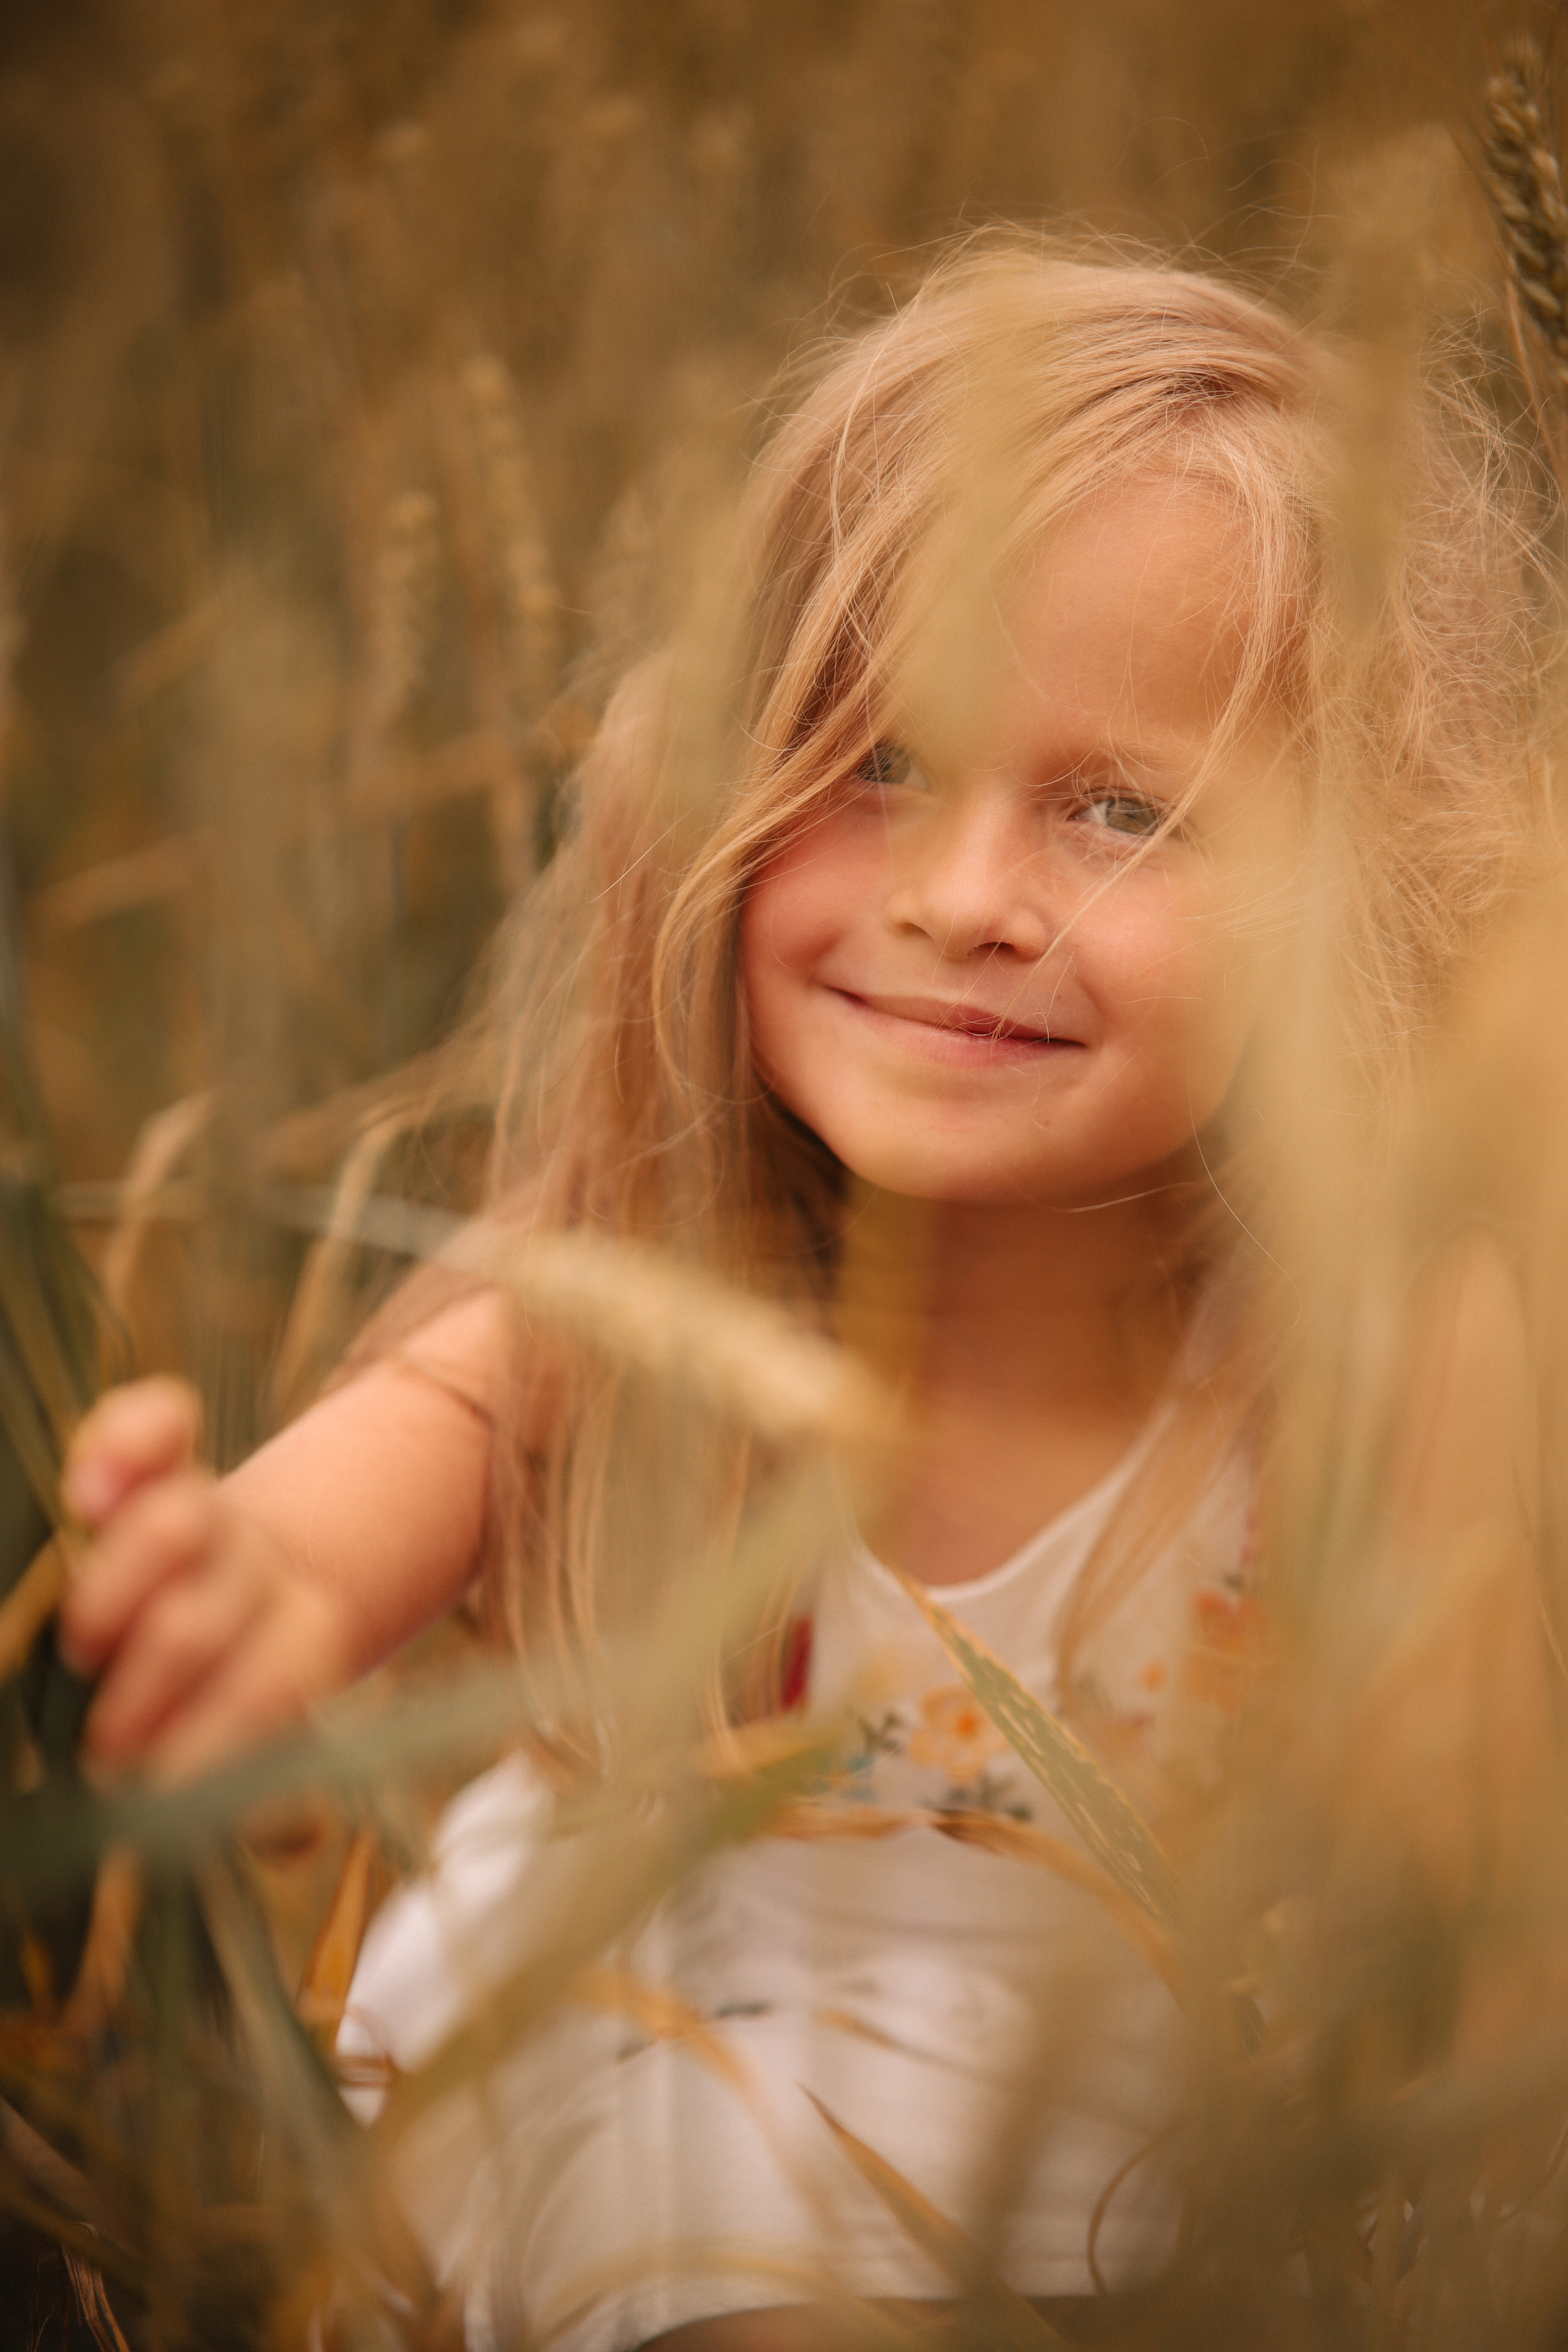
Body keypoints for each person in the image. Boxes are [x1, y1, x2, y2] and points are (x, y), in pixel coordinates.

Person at [54, 239, 1544, 2348]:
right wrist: (223, 1617)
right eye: (879, 764)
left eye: (1124, 810)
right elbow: (303, 1563)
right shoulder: (629, 1294)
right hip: (614, 2082)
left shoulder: (1364, 1369)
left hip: (1089, 2169)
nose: (962, 901)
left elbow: (1478, 1975)